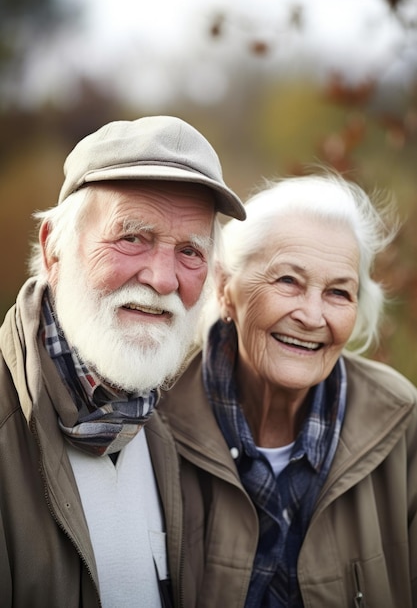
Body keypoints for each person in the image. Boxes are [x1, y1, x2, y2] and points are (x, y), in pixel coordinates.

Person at [0, 114, 246, 608]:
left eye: (190, 252)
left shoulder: (187, 421)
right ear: (54, 249)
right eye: (132, 237)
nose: (161, 278)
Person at [159, 171, 417, 608]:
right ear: (225, 289)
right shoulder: (156, 417)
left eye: (338, 292)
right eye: (287, 281)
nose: (312, 316)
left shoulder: (401, 419)